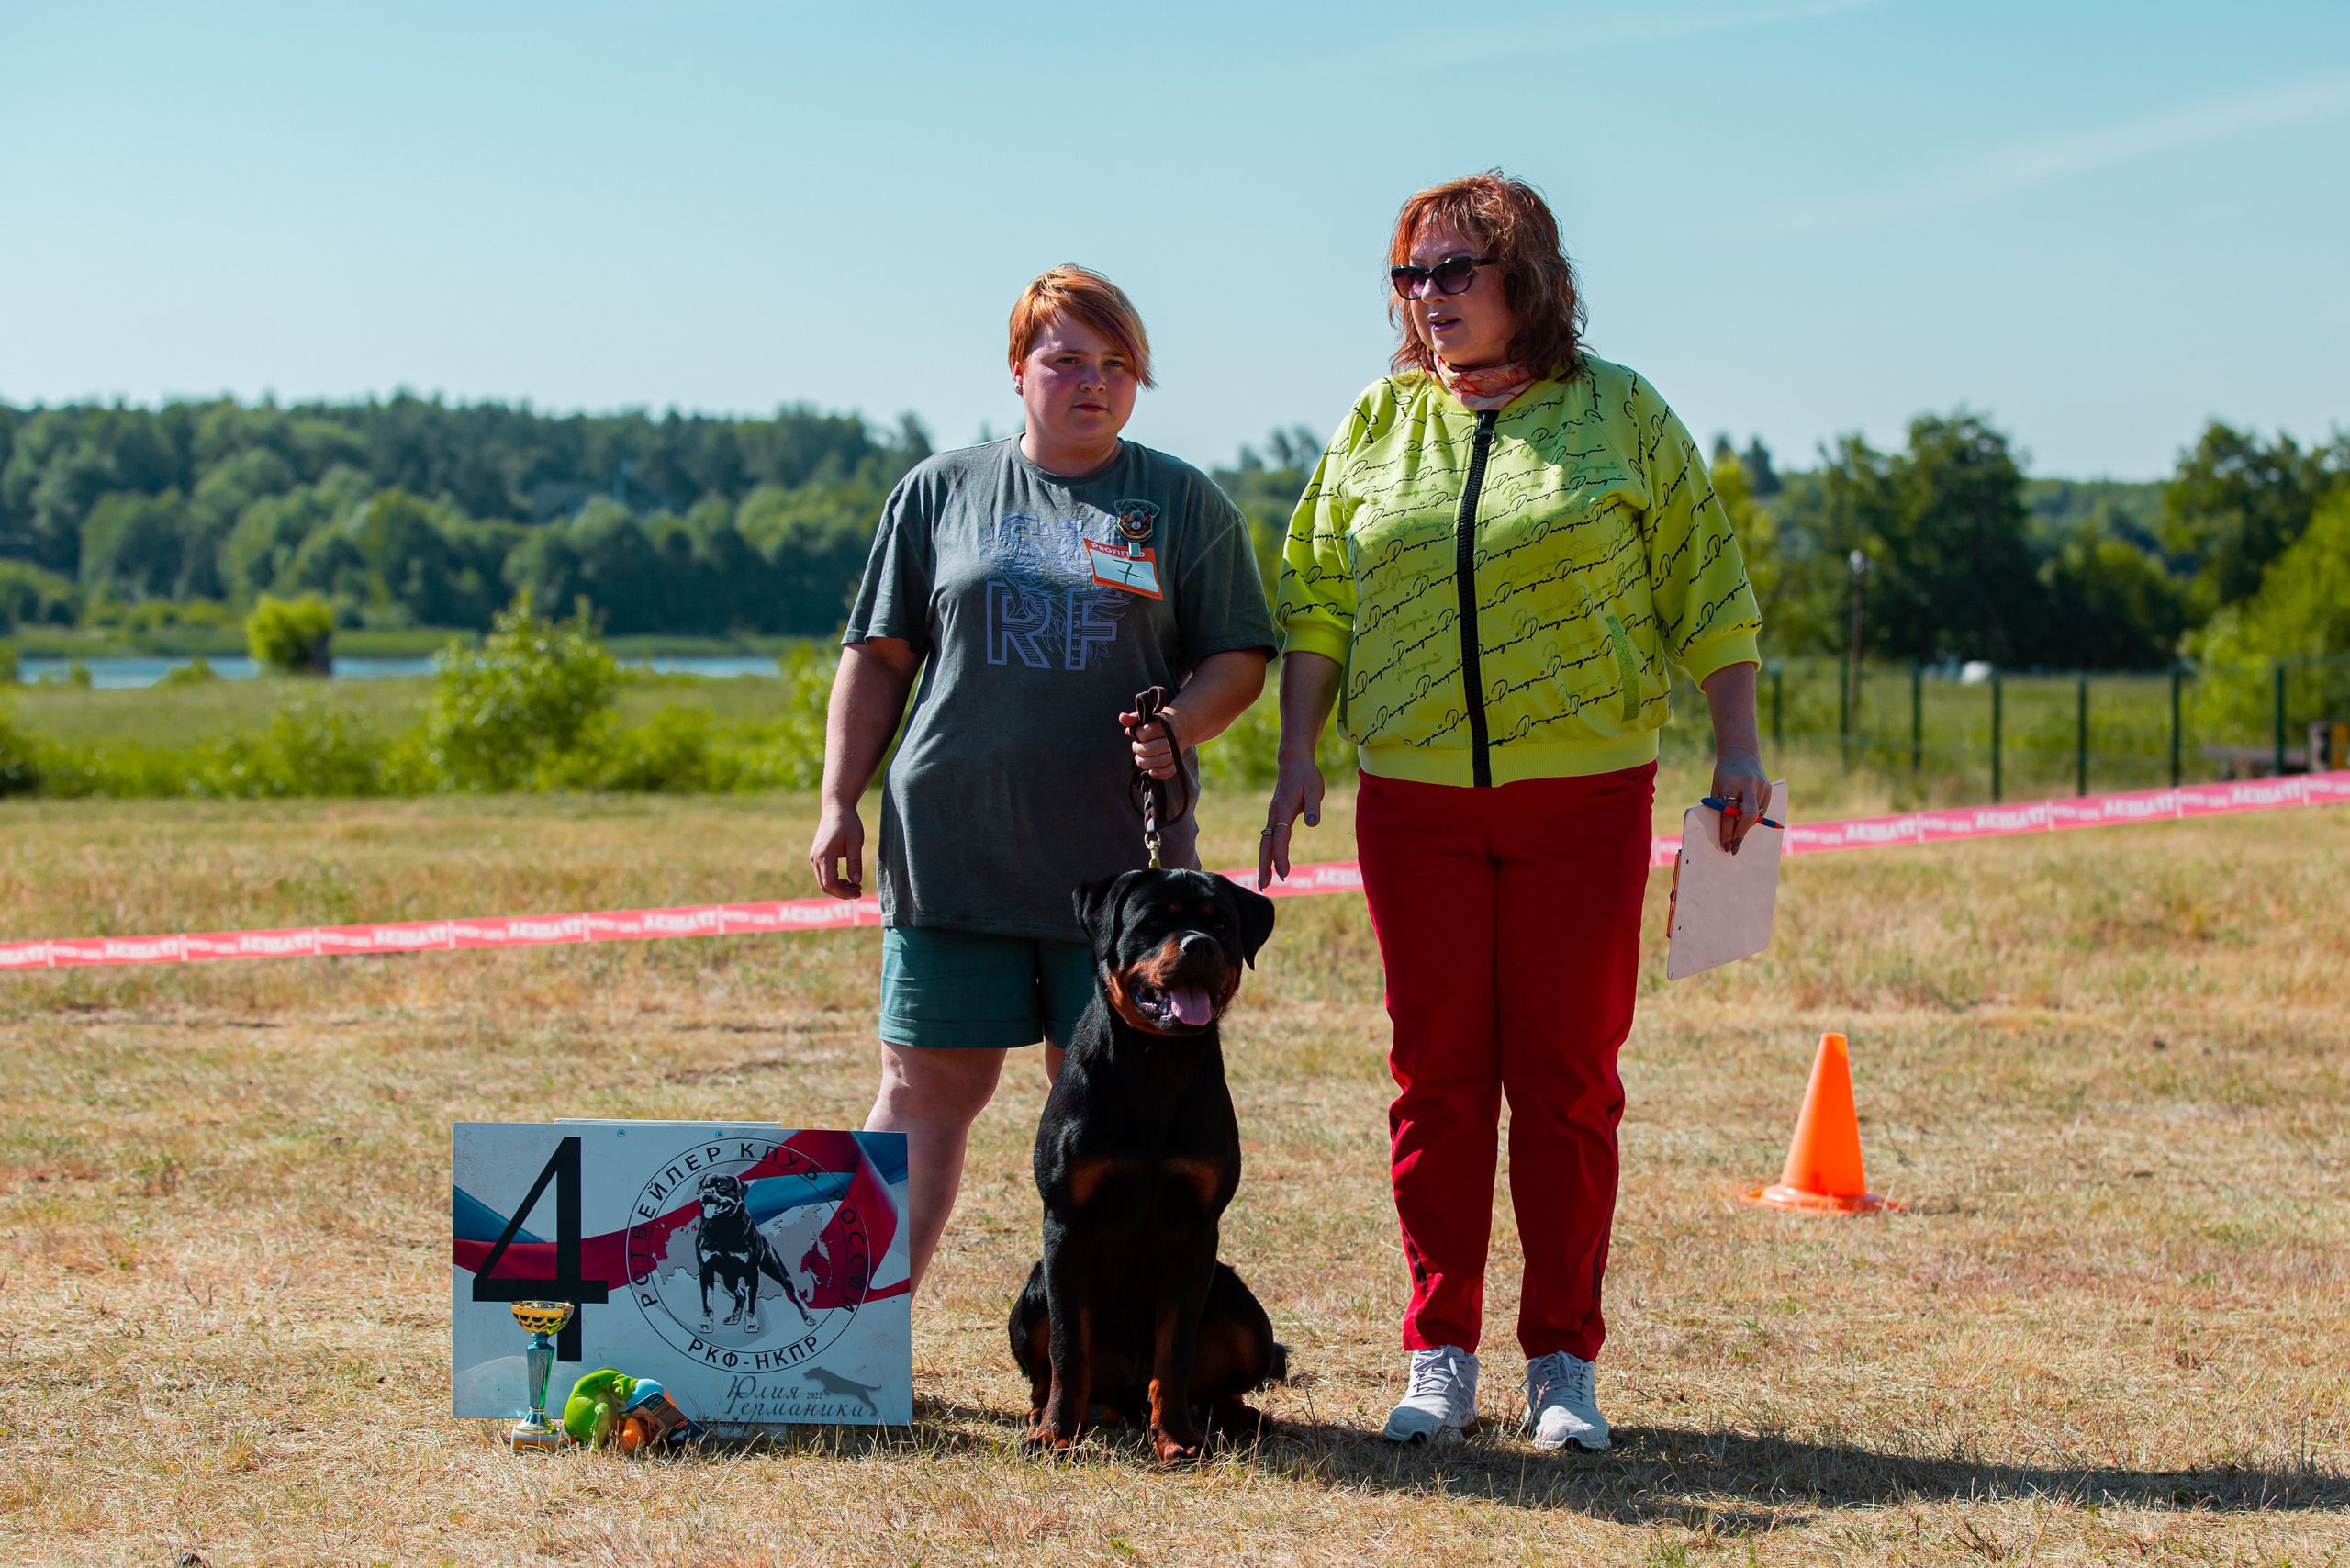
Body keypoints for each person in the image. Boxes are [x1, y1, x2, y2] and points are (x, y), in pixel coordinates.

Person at [1259, 173, 1769, 1452]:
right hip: (1413, 804)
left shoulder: (1623, 415)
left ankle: (1562, 1365)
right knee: (1435, 1082)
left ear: (1526, 279)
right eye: (1408, 277)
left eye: (1454, 272)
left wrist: (1740, 742)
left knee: (1565, 1085)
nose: (1427, 299)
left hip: (1585, 800)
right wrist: (1297, 752)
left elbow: (1707, 586)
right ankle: (1441, 1354)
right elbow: (1316, 597)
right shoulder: (1376, 423)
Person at [810, 264, 1278, 1297]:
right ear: (1018, 369)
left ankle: (1112, 1368)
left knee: (1121, 1116)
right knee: (919, 1094)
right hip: (951, 853)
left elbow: (1238, 656)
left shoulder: (1181, 502)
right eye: (1066, 360)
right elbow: (879, 653)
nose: (1092, 383)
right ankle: (851, 1335)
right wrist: (839, 797)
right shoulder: (941, 490)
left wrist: (1180, 725)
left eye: (1118, 365)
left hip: (1124, 880)